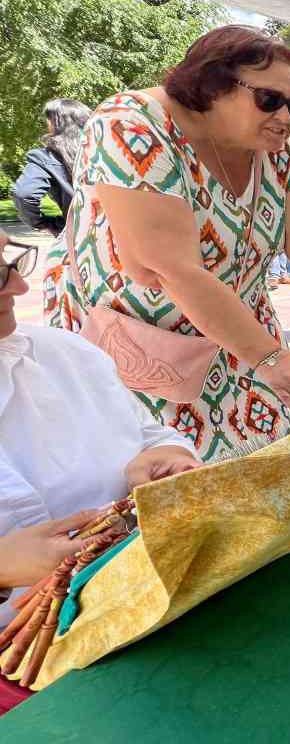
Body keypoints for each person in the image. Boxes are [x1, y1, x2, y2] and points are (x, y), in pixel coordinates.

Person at [44, 25, 290, 463]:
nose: (287, 117)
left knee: (274, 464)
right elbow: (168, 268)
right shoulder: (130, 124)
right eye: (270, 100)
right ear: (212, 85)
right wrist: (271, 358)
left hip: (241, 331)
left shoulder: (275, 144)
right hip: (143, 344)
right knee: (170, 479)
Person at [1, 227, 201, 629]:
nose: (20, 286)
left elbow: (152, 434)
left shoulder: (66, 353)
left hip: (151, 604)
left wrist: (168, 459)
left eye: (8, 262)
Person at [11, 99, 91, 236]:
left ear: (55, 124)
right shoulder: (105, 150)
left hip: (79, 236)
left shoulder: (45, 157)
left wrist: (46, 224)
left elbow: (23, 194)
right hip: (122, 231)